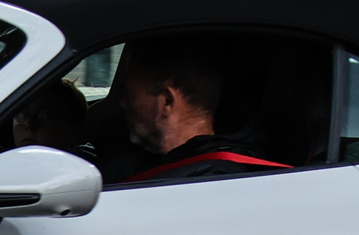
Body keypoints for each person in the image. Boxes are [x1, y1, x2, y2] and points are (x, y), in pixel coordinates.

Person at [102, 39, 292, 184]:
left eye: (130, 94)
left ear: (167, 101)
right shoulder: (147, 156)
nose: (123, 103)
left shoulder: (214, 181)